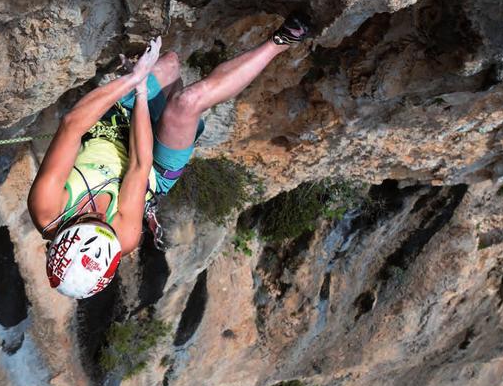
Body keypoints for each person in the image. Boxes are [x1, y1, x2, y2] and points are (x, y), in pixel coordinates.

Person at [27, 15, 311, 299]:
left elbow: (72, 124)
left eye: (93, 219)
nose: (102, 214)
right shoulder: (122, 239)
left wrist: (133, 80)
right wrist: (138, 92)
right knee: (187, 103)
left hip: (110, 127)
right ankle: (280, 42)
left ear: (70, 229)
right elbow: (140, 166)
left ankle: (163, 93)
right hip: (154, 170)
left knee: (170, 63)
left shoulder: (48, 207)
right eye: (106, 223)